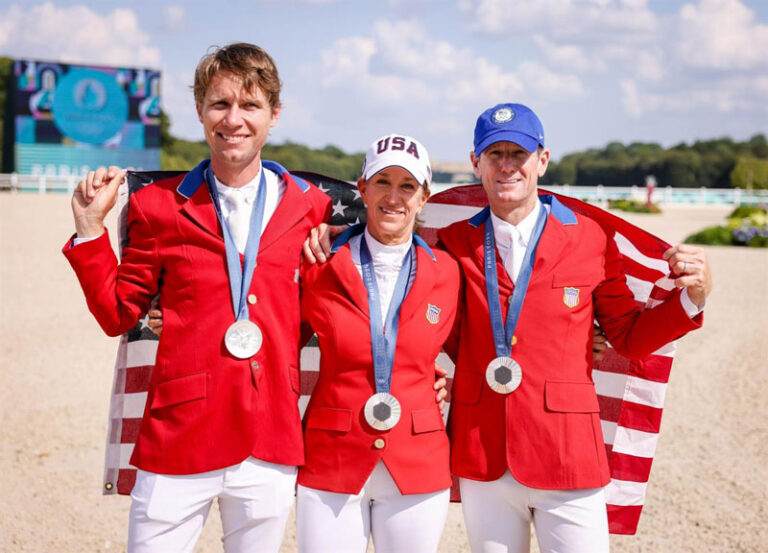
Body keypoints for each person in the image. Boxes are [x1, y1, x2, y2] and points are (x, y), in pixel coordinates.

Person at [62, 43, 332, 553]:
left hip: (269, 438)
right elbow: (117, 312)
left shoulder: (310, 207)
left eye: (250, 105)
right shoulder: (157, 207)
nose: (234, 120)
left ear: (274, 114)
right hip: (179, 435)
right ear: (200, 111)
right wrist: (89, 230)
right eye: (220, 104)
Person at [438, 103, 713, 553]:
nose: (507, 165)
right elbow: (438, 329)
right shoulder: (454, 243)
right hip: (482, 450)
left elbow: (627, 335)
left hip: (567, 453)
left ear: (542, 160)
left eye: (519, 154)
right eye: (495, 155)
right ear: (477, 163)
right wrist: (338, 235)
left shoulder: (590, 238)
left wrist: (692, 299)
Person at [295, 134, 460, 553]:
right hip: (332, 457)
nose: (393, 196)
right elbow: (275, 337)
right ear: (362, 188)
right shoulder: (319, 262)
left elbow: (481, 348)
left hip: (417, 462)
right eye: (382, 181)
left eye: (407, 186)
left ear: (424, 198)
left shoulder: (449, 273)